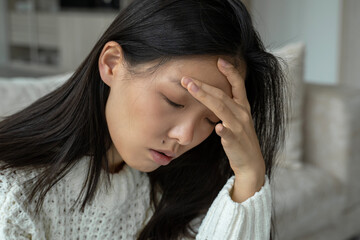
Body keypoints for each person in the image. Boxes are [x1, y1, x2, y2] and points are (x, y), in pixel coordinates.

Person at [0, 0, 286, 239]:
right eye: (173, 101)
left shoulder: (177, 189)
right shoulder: (14, 194)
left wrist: (250, 174)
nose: (185, 137)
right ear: (112, 64)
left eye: (211, 120)